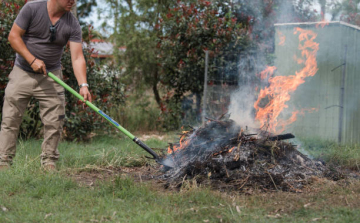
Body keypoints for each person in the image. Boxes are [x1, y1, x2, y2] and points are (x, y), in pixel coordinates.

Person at [0, 0, 92, 170]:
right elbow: (13, 37)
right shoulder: (32, 9)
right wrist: (32, 59)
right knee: (10, 119)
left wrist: (83, 85)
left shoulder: (72, 23)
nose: (72, 1)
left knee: (55, 121)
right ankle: (4, 162)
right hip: (23, 72)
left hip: (51, 76)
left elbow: (77, 57)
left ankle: (49, 161)